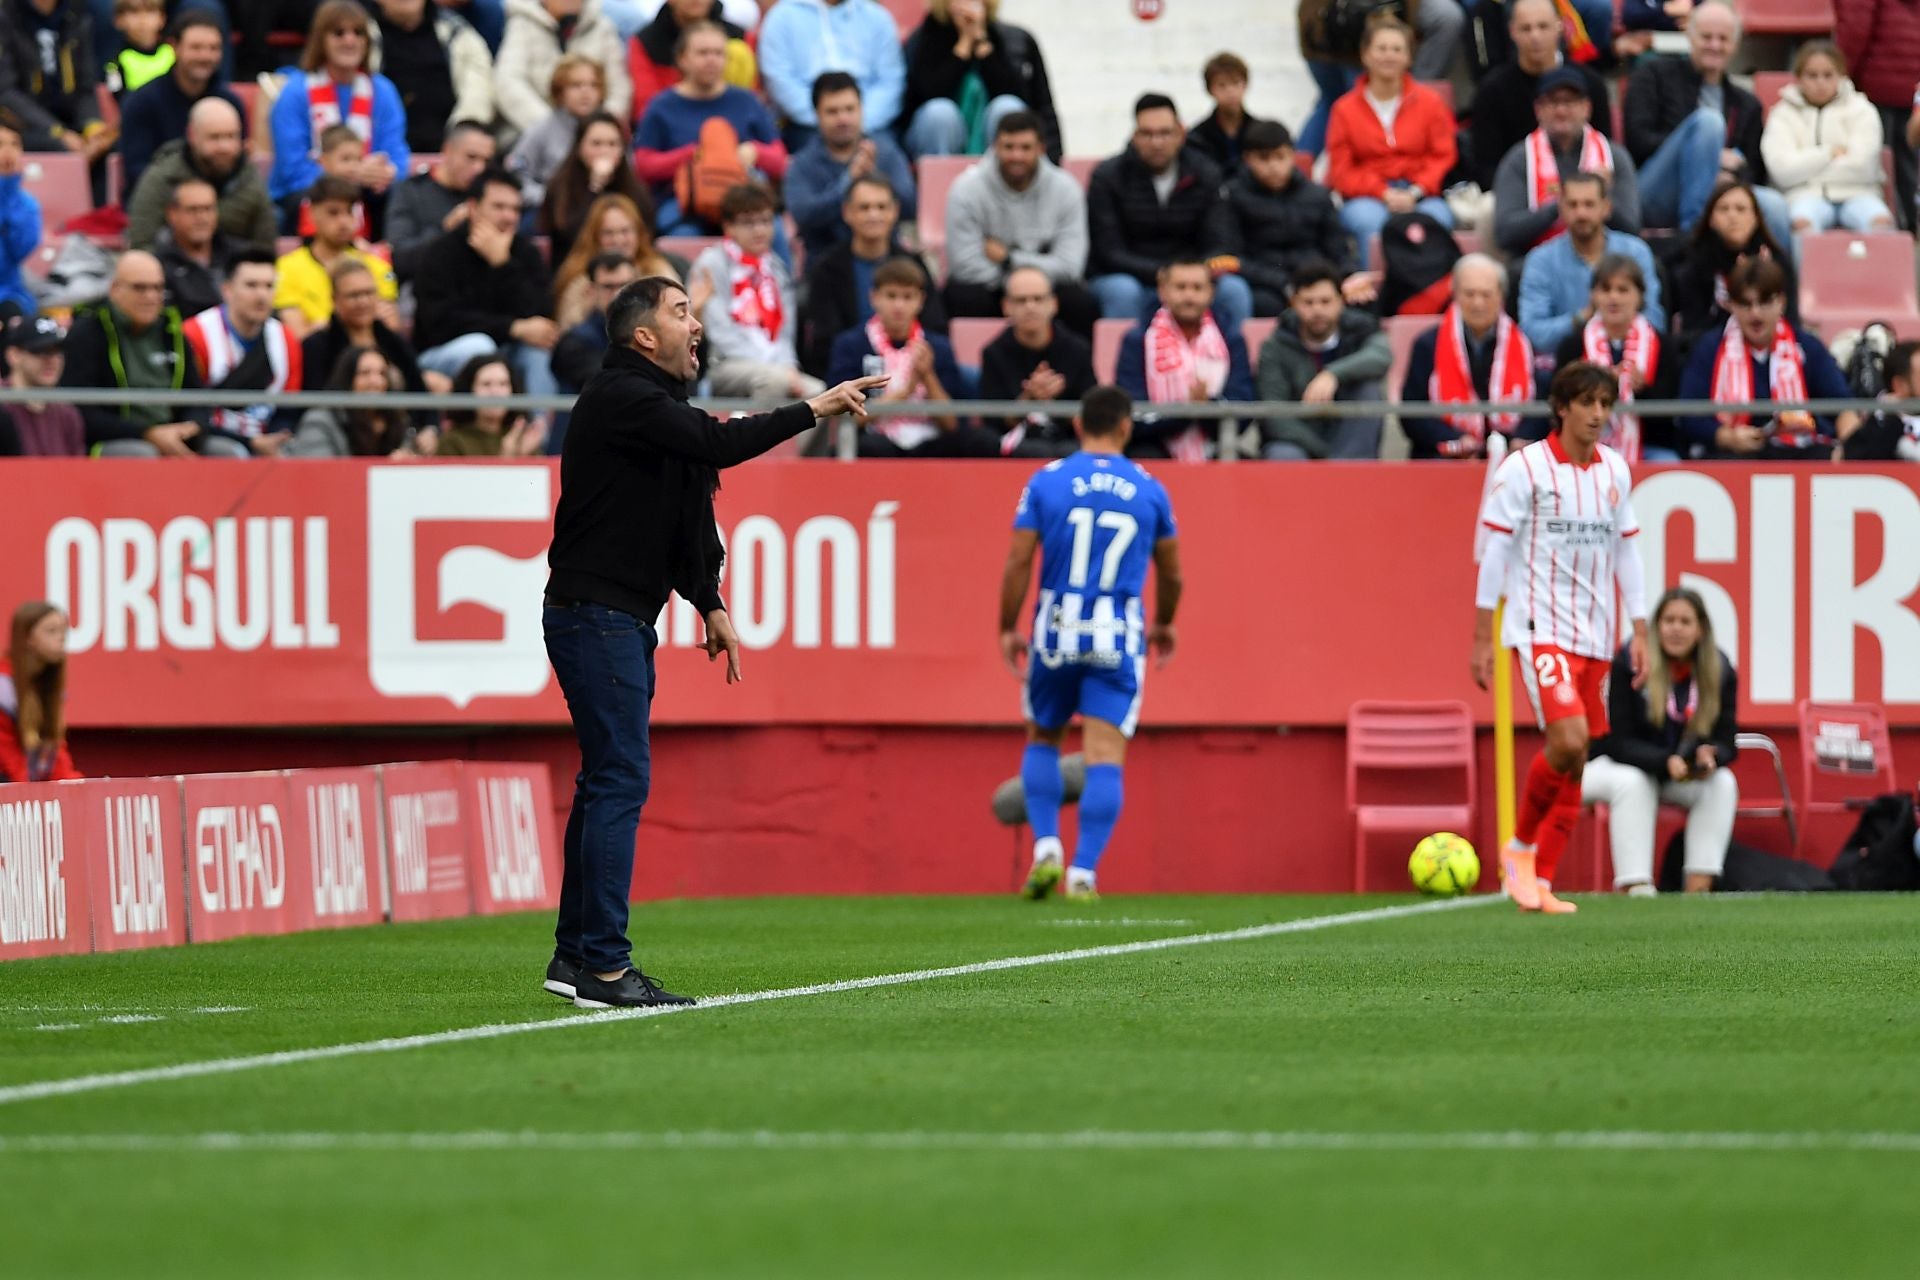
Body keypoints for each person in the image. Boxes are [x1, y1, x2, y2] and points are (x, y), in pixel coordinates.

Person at [540, 273, 886, 1007]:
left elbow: (693, 505)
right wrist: (812, 408)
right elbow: (716, 448)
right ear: (644, 337)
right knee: (619, 779)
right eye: (680, 312)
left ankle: (575, 959)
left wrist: (710, 601)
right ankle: (604, 968)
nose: (695, 324)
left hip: (615, 616)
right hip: (595, 614)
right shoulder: (623, 396)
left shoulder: (657, 407)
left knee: (604, 778)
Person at [1472, 360, 1650, 914]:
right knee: (1568, 741)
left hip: (1596, 638)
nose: (1598, 415)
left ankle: (1541, 879)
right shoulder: (1526, 469)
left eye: (1606, 404)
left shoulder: (1615, 471)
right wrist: (1483, 634)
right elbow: (1495, 550)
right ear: (1562, 407)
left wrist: (1638, 628)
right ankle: (1520, 848)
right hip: (1539, 627)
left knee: (1577, 760)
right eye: (1588, 403)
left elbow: (1627, 549)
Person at [1001, 385, 1182, 903]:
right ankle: (1083, 872)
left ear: (1079, 426)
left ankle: (1046, 848)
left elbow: (1018, 561)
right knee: (1105, 753)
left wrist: (1006, 625)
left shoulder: (1048, 481)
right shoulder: (1149, 489)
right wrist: (1165, 621)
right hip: (1116, 635)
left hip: (1055, 630)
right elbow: (1172, 572)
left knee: (1043, 739)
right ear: (1127, 426)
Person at [1584, 587, 1740, 895]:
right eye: (1669, 620)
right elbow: (1617, 741)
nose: (1676, 629)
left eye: (1685, 621)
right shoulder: (1631, 661)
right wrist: (1663, 761)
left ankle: (1698, 889)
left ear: (1700, 629)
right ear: (1656, 626)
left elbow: (1727, 740)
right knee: (1633, 782)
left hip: (1672, 773)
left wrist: (1712, 756)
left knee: (1722, 783)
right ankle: (1636, 886)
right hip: (1610, 767)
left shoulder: (1718, 668)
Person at [1622, 0, 1787, 247]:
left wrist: (1731, 175)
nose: (1714, 45)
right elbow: (1637, 142)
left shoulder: (1746, 104)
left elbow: (1755, 171)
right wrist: (1706, 155)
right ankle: (1694, 240)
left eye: (1723, 38)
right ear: (1689, 36)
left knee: (1774, 205)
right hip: (1656, 191)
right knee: (1709, 124)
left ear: (1735, 45)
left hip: (1720, 195)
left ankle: (1777, 282)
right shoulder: (1652, 75)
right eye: (1706, 37)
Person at [1087, 94, 1250, 332]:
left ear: (1180, 133)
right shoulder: (1108, 176)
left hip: (1191, 276)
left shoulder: (1206, 173)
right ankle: (1125, 367)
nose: (1156, 142)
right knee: (1122, 291)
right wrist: (1166, 275)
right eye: (1147, 134)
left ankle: (1234, 367)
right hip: (1130, 277)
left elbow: (1219, 240)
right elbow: (1110, 251)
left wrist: (1190, 277)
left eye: (1164, 133)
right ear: (1134, 136)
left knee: (1233, 290)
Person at [1677, 256, 1855, 458]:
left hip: (1798, 452)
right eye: (1746, 304)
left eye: (1764, 303)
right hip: (1733, 456)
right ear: (1731, 306)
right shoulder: (1709, 348)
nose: (1755, 314)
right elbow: (1689, 414)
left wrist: (1849, 450)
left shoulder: (1806, 347)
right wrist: (1727, 437)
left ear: (1781, 302)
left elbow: (1843, 406)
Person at [61, 250, 229, 457]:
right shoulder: (87, 332)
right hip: (112, 440)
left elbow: (196, 397)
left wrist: (192, 426)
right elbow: (79, 411)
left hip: (174, 434)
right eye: (140, 288)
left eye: (158, 288)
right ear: (115, 289)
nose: (151, 296)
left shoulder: (173, 331)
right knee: (143, 455)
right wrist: (146, 433)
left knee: (229, 452)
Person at [412, 167, 559, 402]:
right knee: (480, 347)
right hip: (441, 354)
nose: (509, 216)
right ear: (473, 207)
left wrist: (503, 265)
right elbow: (441, 323)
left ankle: (534, 434)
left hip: (509, 350)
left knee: (538, 352)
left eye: (515, 209)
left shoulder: (525, 252)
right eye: (499, 207)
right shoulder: (440, 252)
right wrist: (513, 328)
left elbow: (541, 316)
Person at [943, 111, 1094, 337]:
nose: (1016, 156)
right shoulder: (965, 189)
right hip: (990, 286)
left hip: (1044, 285)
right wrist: (1018, 285)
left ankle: (1073, 372)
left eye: (1025, 148)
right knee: (960, 296)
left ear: (1041, 148)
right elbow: (965, 265)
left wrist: (1008, 260)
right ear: (994, 146)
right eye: (1009, 147)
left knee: (1082, 304)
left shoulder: (1066, 189)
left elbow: (1070, 267)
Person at [827, 255, 996, 457]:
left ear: (921, 301)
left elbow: (951, 424)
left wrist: (928, 377)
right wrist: (902, 394)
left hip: (929, 443)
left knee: (981, 441)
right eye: (891, 296)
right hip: (876, 443)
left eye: (907, 297)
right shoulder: (851, 345)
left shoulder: (937, 347)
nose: (899, 306)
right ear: (874, 298)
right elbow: (845, 420)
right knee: (870, 446)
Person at [1326, 14, 1458, 268]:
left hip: (1421, 193)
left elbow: (1443, 155)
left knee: (1437, 218)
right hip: (1368, 197)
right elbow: (1341, 170)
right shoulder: (1343, 109)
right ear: (1365, 54)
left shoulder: (1431, 103)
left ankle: (1432, 295)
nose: (1389, 56)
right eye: (1381, 48)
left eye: (1397, 49)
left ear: (1409, 57)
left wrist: (1415, 191)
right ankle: (1375, 299)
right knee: (1370, 223)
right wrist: (1382, 193)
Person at [632, 20, 785, 236]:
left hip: (744, 203)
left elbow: (780, 159)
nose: (711, 60)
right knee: (682, 236)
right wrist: (693, 156)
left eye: (718, 53)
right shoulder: (661, 106)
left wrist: (754, 152)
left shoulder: (746, 101)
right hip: (684, 203)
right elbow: (643, 163)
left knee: (774, 231)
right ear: (682, 59)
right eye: (703, 53)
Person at [266, 0, 409, 231]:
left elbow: (398, 157)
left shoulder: (383, 91)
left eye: (358, 33)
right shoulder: (295, 93)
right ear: (321, 40)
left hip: (368, 192)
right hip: (306, 194)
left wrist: (385, 172)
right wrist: (341, 174)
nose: (349, 40)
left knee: (398, 200)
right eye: (338, 33)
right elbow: (291, 169)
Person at [687, 183, 824, 404]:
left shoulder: (776, 268)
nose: (759, 230)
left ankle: (792, 440)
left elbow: (785, 334)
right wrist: (774, 368)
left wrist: (789, 368)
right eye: (749, 223)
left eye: (765, 221)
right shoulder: (711, 264)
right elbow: (719, 332)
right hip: (725, 364)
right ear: (728, 227)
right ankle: (762, 439)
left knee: (820, 392)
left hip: (774, 365)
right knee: (774, 380)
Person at [801, 174, 947, 377]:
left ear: (895, 211)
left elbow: (935, 326)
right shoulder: (827, 269)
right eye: (864, 207)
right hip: (848, 374)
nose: (873, 215)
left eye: (881, 207)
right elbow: (824, 339)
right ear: (847, 212)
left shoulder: (915, 264)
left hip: (914, 372)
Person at [1115, 258, 1256, 462]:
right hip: (1153, 446)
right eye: (1180, 287)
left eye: (1197, 288)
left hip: (1217, 445)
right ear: (1163, 291)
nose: (1189, 296)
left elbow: (1243, 411)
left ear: (1211, 293)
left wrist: (1207, 407)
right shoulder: (1138, 339)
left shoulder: (1231, 339)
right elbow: (1132, 413)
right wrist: (1187, 411)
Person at [1401, 255, 1541, 459]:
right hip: (1446, 455)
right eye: (1469, 294)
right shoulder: (1427, 344)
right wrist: (1454, 439)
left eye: (1486, 294)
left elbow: (1539, 406)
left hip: (1510, 455)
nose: (1478, 303)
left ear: (1501, 295)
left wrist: (1518, 438)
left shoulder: (1524, 344)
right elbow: (1412, 413)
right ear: (1455, 293)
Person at [1492, 68, 1641, 258]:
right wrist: (1561, 206)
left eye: (1569, 102)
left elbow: (1632, 228)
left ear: (1586, 108)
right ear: (1538, 110)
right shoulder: (1520, 158)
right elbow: (1505, 233)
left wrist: (1604, 194)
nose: (1561, 110)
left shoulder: (1614, 156)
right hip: (1539, 261)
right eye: (1553, 102)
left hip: (1606, 265)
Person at [1467, 0, 1613, 193]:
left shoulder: (1591, 84)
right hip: (1515, 195)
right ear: (1512, 32)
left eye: (1543, 26)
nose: (1535, 36)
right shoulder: (1491, 91)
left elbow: (1605, 150)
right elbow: (1486, 167)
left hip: (1584, 199)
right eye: (1526, 29)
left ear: (1560, 26)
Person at [1255, 257, 1390, 461]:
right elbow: (1275, 415)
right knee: (1283, 455)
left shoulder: (1361, 329)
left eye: (1325, 301)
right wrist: (1326, 456)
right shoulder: (1275, 346)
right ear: (1293, 304)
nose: (1317, 310)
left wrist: (1332, 374)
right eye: (1308, 302)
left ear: (1341, 301)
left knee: (1369, 389)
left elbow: (1382, 355)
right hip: (1298, 442)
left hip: (1349, 438)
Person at [1223, 119, 1357, 319]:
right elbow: (1233, 257)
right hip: (1267, 285)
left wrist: (1347, 277)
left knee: (1361, 299)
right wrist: (1284, 283)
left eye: (1280, 157)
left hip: (1317, 282)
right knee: (1265, 305)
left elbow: (1338, 249)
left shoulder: (1318, 196)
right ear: (1248, 159)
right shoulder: (1233, 197)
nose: (1274, 166)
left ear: (1293, 156)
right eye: (1264, 158)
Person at [1517, 170, 1662, 353]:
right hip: (1566, 367)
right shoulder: (1540, 260)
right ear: (1561, 209)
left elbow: (1654, 320)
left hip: (1630, 357)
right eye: (1573, 205)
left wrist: (1616, 324)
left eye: (1589, 204)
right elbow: (1532, 333)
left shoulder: (1636, 252)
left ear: (1606, 208)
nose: (1581, 213)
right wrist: (1582, 318)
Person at [1553, 253, 1678, 462]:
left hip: (1649, 447)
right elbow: (1561, 405)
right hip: (1584, 445)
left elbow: (1670, 412)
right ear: (1593, 295)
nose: (1614, 298)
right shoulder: (1572, 345)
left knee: (1668, 463)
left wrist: (1642, 390)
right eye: (1605, 289)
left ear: (1639, 296)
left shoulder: (1662, 344)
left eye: (1623, 290)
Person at [1761, 42, 1895, 237]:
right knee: (1801, 223)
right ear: (1798, 78)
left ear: (1841, 77)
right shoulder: (1781, 114)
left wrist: (1804, 168)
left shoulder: (1862, 109)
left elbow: (1863, 167)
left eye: (1828, 75)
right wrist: (1828, 153)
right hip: (1803, 195)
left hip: (1860, 193)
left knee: (1880, 222)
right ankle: (1805, 269)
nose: (1820, 82)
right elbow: (1782, 171)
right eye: (1812, 75)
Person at [786, 71, 917, 262]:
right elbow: (804, 217)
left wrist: (874, 180)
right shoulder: (802, 164)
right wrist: (848, 182)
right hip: (824, 268)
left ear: (861, 109)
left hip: (887, 266)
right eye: (833, 111)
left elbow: (909, 206)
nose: (843, 119)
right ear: (817, 115)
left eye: (850, 109)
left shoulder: (886, 154)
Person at [900, 0, 1056, 160]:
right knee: (940, 113)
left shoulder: (1009, 38)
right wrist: (964, 43)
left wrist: (980, 39)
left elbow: (1015, 94)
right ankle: (940, 179)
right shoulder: (924, 38)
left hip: (988, 136)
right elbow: (931, 92)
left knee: (1006, 107)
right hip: (935, 138)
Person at [183, 247, 304, 452]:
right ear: (227, 290)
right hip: (212, 439)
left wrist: (277, 437)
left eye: (269, 286)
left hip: (268, 439)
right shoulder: (196, 334)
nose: (261, 295)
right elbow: (189, 412)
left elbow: (288, 408)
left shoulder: (286, 339)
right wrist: (250, 443)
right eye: (251, 285)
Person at [126, 95, 276, 251]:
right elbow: (142, 244)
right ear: (192, 135)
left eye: (231, 136)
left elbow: (265, 248)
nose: (224, 147)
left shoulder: (249, 179)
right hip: (172, 269)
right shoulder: (163, 178)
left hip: (235, 269)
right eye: (214, 137)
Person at [976, 265, 1096, 457]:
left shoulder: (1077, 349)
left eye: (1038, 299)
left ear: (1054, 304)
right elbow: (992, 422)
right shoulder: (993, 353)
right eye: (1021, 300)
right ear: (1006, 306)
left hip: (1068, 441)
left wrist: (1053, 404)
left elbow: (1091, 416)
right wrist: (1028, 399)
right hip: (1017, 444)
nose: (1030, 307)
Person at [117, 10, 240, 196]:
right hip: (157, 205)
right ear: (174, 47)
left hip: (222, 204)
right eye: (196, 48)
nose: (205, 56)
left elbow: (240, 166)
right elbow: (137, 171)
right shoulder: (142, 102)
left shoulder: (229, 103)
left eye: (214, 48)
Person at [1669, 178, 1798, 354]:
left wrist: (1764, 281)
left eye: (1741, 209)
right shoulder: (1694, 263)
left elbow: (1791, 324)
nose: (1732, 216)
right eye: (1723, 209)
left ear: (1755, 218)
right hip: (1710, 354)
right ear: (1711, 219)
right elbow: (1691, 332)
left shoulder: (1777, 263)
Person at [757, 0, 905, 150]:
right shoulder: (781, 18)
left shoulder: (877, 17)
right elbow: (780, 81)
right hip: (808, 128)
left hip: (872, 127)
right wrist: (828, 119)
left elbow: (891, 81)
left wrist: (856, 121)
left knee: (885, 156)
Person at [301, 255, 436, 412]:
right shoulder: (317, 346)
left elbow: (421, 396)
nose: (363, 302)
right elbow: (314, 404)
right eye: (354, 295)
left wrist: (428, 428)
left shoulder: (394, 342)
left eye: (369, 293)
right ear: (334, 299)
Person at [274, 175, 398, 339]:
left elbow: (391, 328)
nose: (344, 221)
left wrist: (321, 325)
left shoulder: (376, 266)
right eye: (333, 212)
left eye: (349, 212)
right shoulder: (287, 268)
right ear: (311, 214)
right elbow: (298, 335)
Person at [0, 0, 114, 175]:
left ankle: (101, 203)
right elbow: (7, 92)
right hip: (23, 125)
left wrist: (92, 127)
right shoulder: (6, 16)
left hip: (70, 121)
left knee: (107, 148)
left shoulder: (77, 13)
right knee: (55, 147)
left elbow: (86, 84)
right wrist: (57, 132)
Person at [1839, 0, 1920, 234]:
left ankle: (1892, 234)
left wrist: (1843, 75)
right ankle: (1911, 232)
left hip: (1878, 84)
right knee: (1907, 167)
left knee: (1881, 165)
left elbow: (1855, 30)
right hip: (1911, 83)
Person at [370, 0, 492, 155]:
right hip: (380, 154)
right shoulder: (358, 34)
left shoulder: (458, 32)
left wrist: (462, 132)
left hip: (448, 150)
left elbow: (478, 93)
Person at [496, 0, 629, 139]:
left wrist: (600, 127)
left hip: (593, 132)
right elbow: (508, 82)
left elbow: (619, 87)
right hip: (533, 130)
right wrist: (550, 126)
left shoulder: (603, 27)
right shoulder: (522, 24)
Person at [385, 118, 495, 283]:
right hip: (423, 289)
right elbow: (400, 258)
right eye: (471, 157)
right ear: (447, 150)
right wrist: (445, 230)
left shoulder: (490, 197)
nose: (479, 168)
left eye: (486, 161)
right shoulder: (410, 191)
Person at [551, 191, 681, 330]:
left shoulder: (657, 272)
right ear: (595, 237)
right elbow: (566, 330)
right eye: (608, 233)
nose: (618, 240)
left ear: (638, 233)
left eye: (625, 231)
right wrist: (589, 308)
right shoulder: (580, 279)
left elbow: (679, 319)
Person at [540, 110, 652, 267]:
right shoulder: (560, 188)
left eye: (612, 144)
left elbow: (647, 236)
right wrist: (595, 187)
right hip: (576, 271)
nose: (604, 151)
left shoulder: (635, 189)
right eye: (596, 144)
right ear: (579, 147)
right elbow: (569, 238)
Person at [626, 0, 756, 125]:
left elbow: (753, 103)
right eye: (703, 53)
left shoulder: (741, 40)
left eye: (717, 53)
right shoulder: (645, 43)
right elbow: (646, 109)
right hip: (670, 132)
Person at [505, 53, 606, 210]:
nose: (586, 92)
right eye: (576, 85)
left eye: (594, 85)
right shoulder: (542, 129)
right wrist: (544, 197)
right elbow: (515, 172)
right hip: (549, 209)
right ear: (560, 91)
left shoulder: (610, 129)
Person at [289, 343, 422, 456]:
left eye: (382, 374)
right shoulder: (320, 421)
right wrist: (384, 468)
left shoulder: (398, 421)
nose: (375, 382)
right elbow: (317, 474)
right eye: (365, 373)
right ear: (348, 380)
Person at [0, 602, 81, 785]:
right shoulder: (3, 687)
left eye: (63, 631)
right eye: (51, 631)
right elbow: (9, 761)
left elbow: (55, 752)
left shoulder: (49, 687)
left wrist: (76, 787)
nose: (61, 638)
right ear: (28, 638)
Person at [0, 316, 85, 455]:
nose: (52, 361)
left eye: (57, 352)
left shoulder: (68, 414)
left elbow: (76, 472)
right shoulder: (2, 408)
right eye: (40, 351)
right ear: (13, 355)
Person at [434, 351, 547, 455]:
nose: (495, 392)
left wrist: (525, 456)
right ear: (469, 391)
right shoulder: (452, 442)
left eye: (503, 384)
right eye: (486, 384)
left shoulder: (523, 439)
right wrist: (508, 459)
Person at [151, 176, 233, 319]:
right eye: (193, 210)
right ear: (172, 214)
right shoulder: (157, 266)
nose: (202, 218)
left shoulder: (239, 256)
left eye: (208, 209)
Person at [552, 251, 634, 388]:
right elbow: (607, 385)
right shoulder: (575, 341)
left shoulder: (648, 333)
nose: (617, 294)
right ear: (591, 291)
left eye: (624, 285)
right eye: (608, 287)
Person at [1188, 51, 1271, 179]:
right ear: (1210, 90)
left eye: (1236, 83)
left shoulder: (1261, 133)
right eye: (1222, 85)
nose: (1230, 91)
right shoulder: (1197, 137)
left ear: (1245, 85)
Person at [0, 120, 40, 317]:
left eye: (15, 144)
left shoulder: (27, 205)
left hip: (8, 295)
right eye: (0, 144)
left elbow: (20, 250)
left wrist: (7, 190)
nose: (8, 151)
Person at [103, 0, 170, 104]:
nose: (142, 20)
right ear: (118, 20)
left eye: (150, 11)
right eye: (134, 12)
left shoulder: (174, 52)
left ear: (162, 18)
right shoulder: (115, 62)